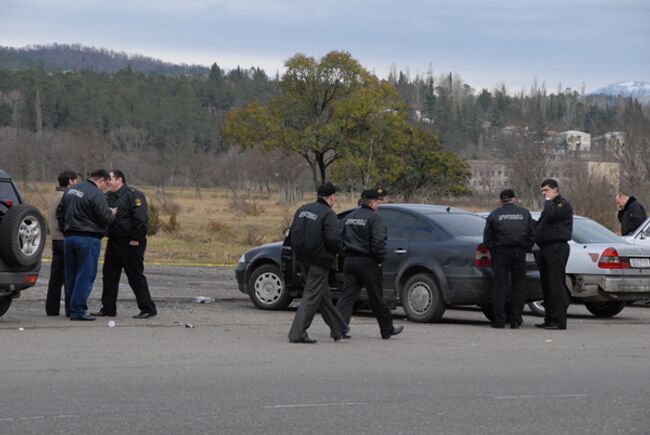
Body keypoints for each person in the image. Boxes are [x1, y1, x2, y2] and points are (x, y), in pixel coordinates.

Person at [337, 189, 403, 339]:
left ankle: (338, 328)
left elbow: (339, 238)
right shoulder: (375, 219)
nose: (378, 205)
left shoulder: (349, 217)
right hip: (368, 262)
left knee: (347, 296)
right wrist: (379, 259)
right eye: (378, 202)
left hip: (350, 260)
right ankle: (387, 329)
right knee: (376, 297)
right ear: (373, 202)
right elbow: (378, 242)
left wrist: (345, 253)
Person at [287, 182, 348, 344]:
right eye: (334, 196)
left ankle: (338, 328)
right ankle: (297, 333)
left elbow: (293, 232)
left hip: (302, 258)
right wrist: (341, 251)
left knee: (323, 294)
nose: (335, 199)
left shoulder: (303, 209)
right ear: (331, 197)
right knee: (312, 295)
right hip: (319, 261)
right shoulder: (328, 214)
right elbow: (333, 239)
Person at [92, 170, 157, 319]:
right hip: (114, 240)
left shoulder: (133, 195)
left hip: (130, 242)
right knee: (109, 276)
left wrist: (136, 238)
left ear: (120, 180)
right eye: (106, 179)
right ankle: (108, 308)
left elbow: (141, 219)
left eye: (111, 179)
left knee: (135, 276)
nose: (107, 182)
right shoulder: (107, 197)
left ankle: (147, 308)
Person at [57, 169, 115, 321]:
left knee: (71, 274)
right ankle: (78, 310)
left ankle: (70, 308)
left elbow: (60, 212)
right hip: (88, 238)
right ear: (101, 180)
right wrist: (112, 213)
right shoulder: (96, 194)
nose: (105, 188)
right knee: (85, 275)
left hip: (69, 238)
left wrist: (66, 230)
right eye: (106, 184)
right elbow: (105, 217)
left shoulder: (71, 190)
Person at [483, 189, 535, 329]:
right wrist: (526, 248)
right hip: (519, 252)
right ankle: (516, 320)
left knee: (500, 286)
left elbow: (487, 239)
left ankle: (499, 320)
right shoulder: (524, 213)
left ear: (501, 200)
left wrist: (495, 250)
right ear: (514, 199)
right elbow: (532, 234)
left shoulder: (494, 215)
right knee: (519, 287)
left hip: (501, 253)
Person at [534, 179, 573, 330]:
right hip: (545, 248)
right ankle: (549, 318)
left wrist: (549, 201)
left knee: (556, 285)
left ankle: (559, 321)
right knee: (547, 285)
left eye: (546, 190)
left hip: (557, 247)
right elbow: (541, 225)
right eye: (543, 191)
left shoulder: (561, 204)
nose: (544, 193)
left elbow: (552, 215)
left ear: (555, 190)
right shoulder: (549, 206)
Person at [45, 170, 79, 316]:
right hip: (65, 238)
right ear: (70, 181)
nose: (77, 183)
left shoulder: (54, 195)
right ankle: (70, 308)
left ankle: (51, 308)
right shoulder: (67, 196)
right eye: (76, 180)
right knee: (69, 275)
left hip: (55, 238)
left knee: (55, 277)